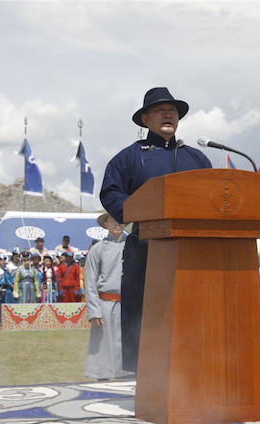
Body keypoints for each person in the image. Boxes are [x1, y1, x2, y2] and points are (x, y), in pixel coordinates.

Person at [100, 87, 212, 373]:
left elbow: (212, 197)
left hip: (191, 251)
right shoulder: (128, 158)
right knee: (146, 318)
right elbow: (111, 193)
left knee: (190, 315)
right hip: (146, 249)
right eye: (160, 111)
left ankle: (192, 371)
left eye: (172, 111)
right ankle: (145, 378)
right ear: (145, 119)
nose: (167, 115)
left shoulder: (196, 159)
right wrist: (140, 210)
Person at [84, 213, 130, 380]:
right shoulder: (98, 249)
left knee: (126, 348)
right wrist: (94, 312)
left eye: (120, 220)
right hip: (105, 304)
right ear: (105, 223)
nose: (117, 223)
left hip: (128, 307)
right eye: (113, 219)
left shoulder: (133, 247)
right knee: (103, 349)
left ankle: (126, 381)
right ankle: (102, 381)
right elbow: (90, 282)